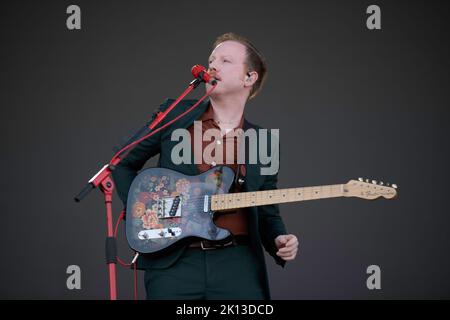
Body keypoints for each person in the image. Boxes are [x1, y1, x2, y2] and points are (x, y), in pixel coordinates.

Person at [112, 32, 299, 300]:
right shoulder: (176, 114)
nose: (213, 65)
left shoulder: (264, 142)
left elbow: (267, 210)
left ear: (249, 77)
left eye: (225, 61)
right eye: (211, 60)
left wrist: (280, 240)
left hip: (238, 267)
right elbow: (122, 161)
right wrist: (144, 207)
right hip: (173, 265)